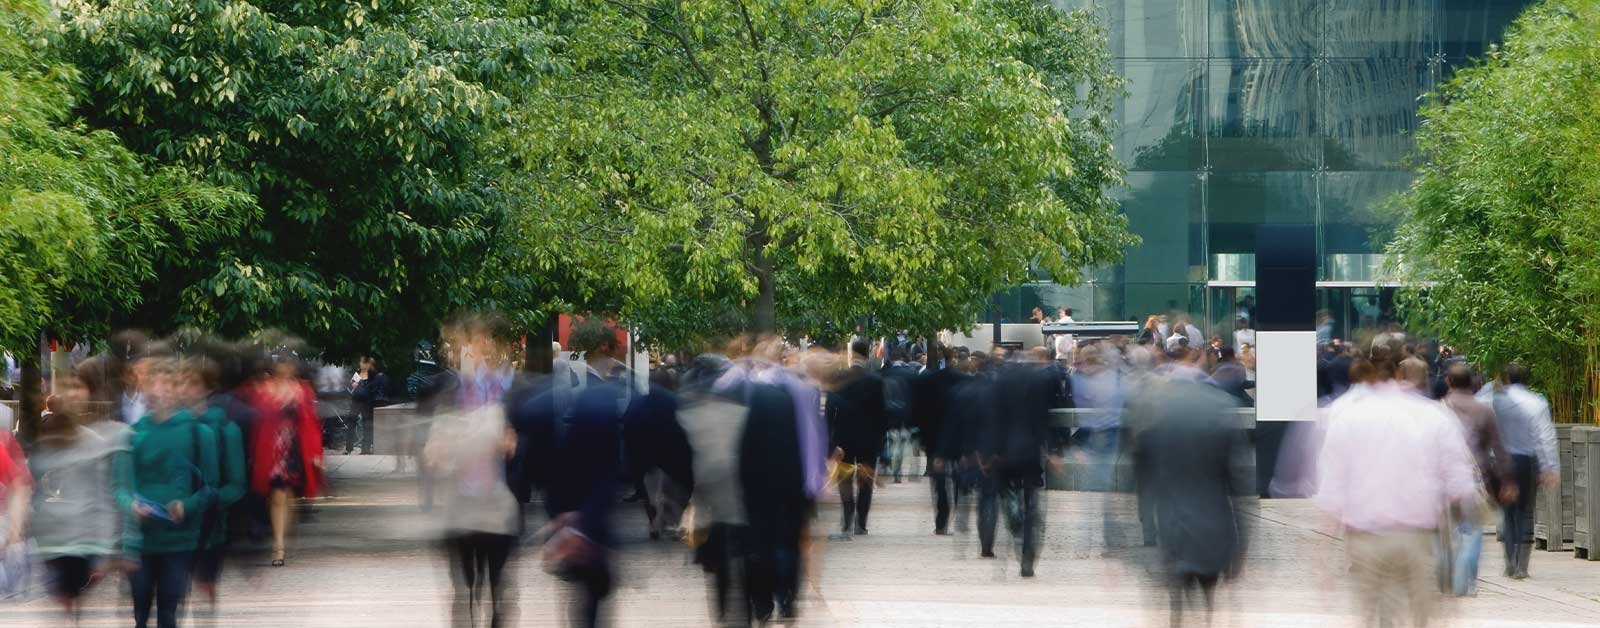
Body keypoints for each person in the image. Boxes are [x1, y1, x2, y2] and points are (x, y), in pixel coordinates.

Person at [1315, 348, 1479, 627]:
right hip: (1416, 538)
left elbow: (1332, 491)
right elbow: (1460, 485)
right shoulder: (1433, 416)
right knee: (1418, 615)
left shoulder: (1347, 416)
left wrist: (1321, 558)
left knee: (1373, 614)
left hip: (1365, 539)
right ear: (1401, 374)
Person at [1130, 368, 1250, 626]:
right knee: (1208, 595)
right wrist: (1242, 545)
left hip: (1173, 524)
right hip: (1214, 526)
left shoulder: (1156, 425)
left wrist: (1144, 528)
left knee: (1178, 597)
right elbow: (1239, 485)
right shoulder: (1221, 416)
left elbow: (1142, 480)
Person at [117, 357, 221, 628]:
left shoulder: (200, 434)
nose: (159, 390)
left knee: (168, 612)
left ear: (178, 390)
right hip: (141, 541)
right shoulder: (133, 435)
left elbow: (210, 486)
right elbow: (120, 485)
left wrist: (187, 505)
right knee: (140, 612)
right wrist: (131, 505)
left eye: (167, 384)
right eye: (153, 383)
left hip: (180, 540)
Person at [28, 364, 123, 623]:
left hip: (84, 540)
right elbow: (33, 489)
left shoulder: (96, 441)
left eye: (77, 387)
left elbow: (105, 496)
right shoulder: (44, 440)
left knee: (71, 602)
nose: (72, 395)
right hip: (51, 542)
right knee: (66, 604)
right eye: (67, 388)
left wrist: (105, 549)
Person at [976, 348, 1056, 577]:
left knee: (1007, 494)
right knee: (1033, 504)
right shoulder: (1038, 382)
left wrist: (988, 453)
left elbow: (993, 420)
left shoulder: (998, 383)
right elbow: (1043, 419)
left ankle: (1015, 519)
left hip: (1004, 454)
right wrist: (1051, 450)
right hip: (1029, 451)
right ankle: (1028, 554)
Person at [242, 347, 324, 568]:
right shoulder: (264, 389)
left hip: (295, 448)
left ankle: (285, 533)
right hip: (272, 450)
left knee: (289, 496)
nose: (284, 367)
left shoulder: (302, 390)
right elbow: (256, 421)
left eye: (287, 364)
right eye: (280, 363)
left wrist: (315, 452)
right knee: (277, 494)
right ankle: (278, 546)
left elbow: (311, 423)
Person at [1440, 363, 1513, 596]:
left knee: (1445, 532)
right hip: (1475, 480)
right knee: (1471, 532)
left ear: (1449, 382)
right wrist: (1507, 480)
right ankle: (1467, 582)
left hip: (1442, 481)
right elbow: (1499, 449)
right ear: (1471, 383)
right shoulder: (1484, 411)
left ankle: (1446, 579)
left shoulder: (1438, 410)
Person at [1490, 363, 1560, 580]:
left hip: (1501, 461)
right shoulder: (1537, 403)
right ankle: (1522, 565)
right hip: (1525, 461)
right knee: (1525, 511)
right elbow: (1544, 437)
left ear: (1507, 379)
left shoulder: (1495, 401)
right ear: (1526, 380)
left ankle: (1509, 560)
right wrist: (1550, 467)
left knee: (1507, 512)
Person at [826, 339, 887, 537]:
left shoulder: (839, 379)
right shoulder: (875, 381)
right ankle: (861, 522)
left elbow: (829, 412)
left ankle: (847, 516)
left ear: (852, 353)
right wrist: (881, 441)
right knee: (865, 481)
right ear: (868, 353)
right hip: (868, 439)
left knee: (844, 479)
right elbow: (881, 414)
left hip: (843, 439)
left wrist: (831, 443)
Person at [913, 345, 965, 535]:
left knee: (939, 484)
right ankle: (959, 517)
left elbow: (919, 414)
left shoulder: (927, 382)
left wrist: (923, 439)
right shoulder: (964, 380)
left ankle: (941, 521)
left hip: (934, 439)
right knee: (960, 478)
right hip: (960, 439)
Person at [348, 356, 386, 455]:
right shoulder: (357, 373)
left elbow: (373, 389)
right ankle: (349, 447)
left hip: (366, 401)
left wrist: (362, 386)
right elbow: (350, 386)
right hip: (356, 400)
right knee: (351, 422)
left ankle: (366, 449)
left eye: (362, 362)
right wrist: (353, 385)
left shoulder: (374, 375)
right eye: (360, 362)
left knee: (367, 425)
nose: (360, 364)